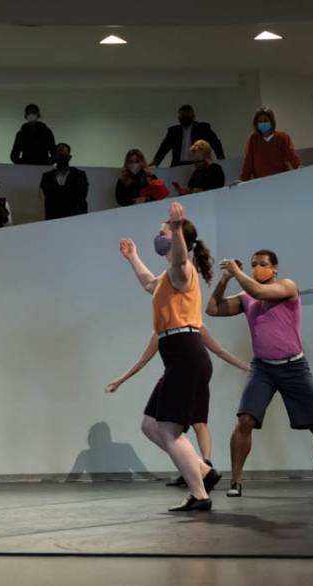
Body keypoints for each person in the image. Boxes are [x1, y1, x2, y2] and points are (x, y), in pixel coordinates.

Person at [206, 251, 313, 498]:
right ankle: (236, 481)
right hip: (262, 368)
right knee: (245, 421)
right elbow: (212, 309)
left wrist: (238, 272)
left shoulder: (287, 286)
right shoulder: (245, 297)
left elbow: (260, 292)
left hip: (294, 367)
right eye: (253, 265)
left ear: (274, 269)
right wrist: (225, 279)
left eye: (262, 264)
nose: (257, 268)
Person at [117, 202, 223, 511]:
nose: (159, 234)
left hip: (186, 350)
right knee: (151, 425)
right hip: (176, 355)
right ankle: (204, 471)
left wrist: (176, 230)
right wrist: (133, 257)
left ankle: (200, 495)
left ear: (179, 238)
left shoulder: (182, 269)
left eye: (164, 230)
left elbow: (178, 258)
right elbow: (149, 283)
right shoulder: (166, 278)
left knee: (169, 430)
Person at [105, 324, 249, 487]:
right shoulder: (160, 331)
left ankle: (205, 466)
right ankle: (199, 467)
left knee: (197, 423)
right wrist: (120, 380)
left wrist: (245, 366)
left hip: (191, 377)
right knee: (152, 426)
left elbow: (219, 350)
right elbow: (143, 360)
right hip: (175, 377)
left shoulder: (195, 326)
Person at [151, 104, 225, 168]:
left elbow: (215, 142)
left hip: (198, 164)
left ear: (193, 116)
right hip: (178, 165)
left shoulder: (203, 128)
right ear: (179, 118)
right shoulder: (173, 131)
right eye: (183, 115)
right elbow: (164, 148)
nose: (185, 117)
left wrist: (221, 158)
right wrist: (155, 163)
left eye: (187, 115)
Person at [239, 107, 301, 181]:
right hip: (261, 182)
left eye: (266, 121)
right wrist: (242, 180)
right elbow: (248, 163)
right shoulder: (253, 139)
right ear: (256, 123)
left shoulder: (282, 137)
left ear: (272, 122)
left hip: (281, 180)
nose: (263, 123)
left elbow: (292, 156)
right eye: (260, 121)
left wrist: (300, 168)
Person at [41, 144, 90, 221]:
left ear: (69, 157)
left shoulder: (80, 174)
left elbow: (80, 195)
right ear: (55, 157)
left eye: (64, 155)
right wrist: (68, 192)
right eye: (59, 155)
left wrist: (59, 193)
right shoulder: (47, 176)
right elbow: (50, 195)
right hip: (53, 219)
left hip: (77, 218)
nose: (61, 157)